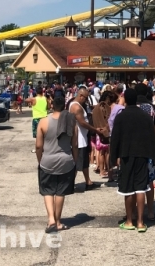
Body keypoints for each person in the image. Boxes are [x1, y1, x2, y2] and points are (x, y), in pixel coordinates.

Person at [109, 88, 155, 233]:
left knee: (128, 189)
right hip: (142, 155)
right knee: (141, 188)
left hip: (126, 155)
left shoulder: (121, 116)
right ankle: (140, 222)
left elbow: (115, 139)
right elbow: (152, 138)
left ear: (125, 99)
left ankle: (129, 221)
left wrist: (113, 158)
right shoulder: (145, 116)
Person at [36, 95, 78, 233]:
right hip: (66, 161)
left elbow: (38, 146)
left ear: (52, 105)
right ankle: (58, 221)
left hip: (47, 160)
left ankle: (51, 220)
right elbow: (75, 145)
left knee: (47, 191)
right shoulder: (71, 122)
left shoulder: (43, 122)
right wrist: (75, 161)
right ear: (65, 106)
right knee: (60, 192)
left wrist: (40, 159)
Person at [68, 86, 106, 191]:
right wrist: (95, 130)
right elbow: (82, 123)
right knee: (76, 163)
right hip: (78, 140)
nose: (86, 100)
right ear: (80, 96)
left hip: (83, 138)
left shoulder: (78, 105)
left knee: (84, 162)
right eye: (85, 98)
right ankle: (69, 184)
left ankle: (88, 181)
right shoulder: (76, 107)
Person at [135, 83, 155, 221]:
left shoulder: (130, 107)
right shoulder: (153, 108)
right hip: (149, 146)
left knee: (134, 179)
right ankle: (150, 210)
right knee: (149, 179)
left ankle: (133, 211)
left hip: (133, 146)